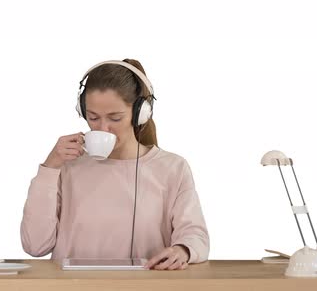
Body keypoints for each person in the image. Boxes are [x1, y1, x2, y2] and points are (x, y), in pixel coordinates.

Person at [20, 59, 209, 270]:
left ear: (140, 114)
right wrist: (50, 167)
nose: (103, 128)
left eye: (115, 118)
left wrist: (183, 250)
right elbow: (35, 245)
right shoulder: (66, 167)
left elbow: (196, 236)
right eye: (93, 117)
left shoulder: (172, 168)